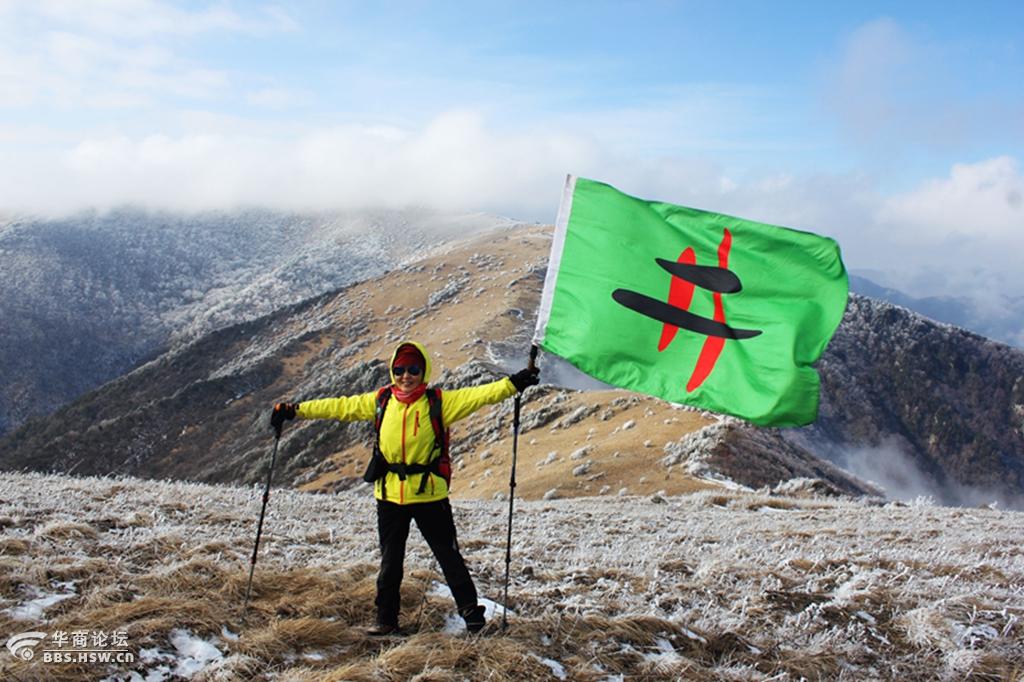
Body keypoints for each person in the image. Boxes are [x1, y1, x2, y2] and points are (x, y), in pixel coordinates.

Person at [270, 340, 539, 635]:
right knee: (390, 561)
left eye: (413, 369)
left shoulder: (439, 402)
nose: (405, 376)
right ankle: (386, 621)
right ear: (392, 371)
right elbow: (338, 406)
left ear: (423, 371)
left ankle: (473, 619)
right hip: (388, 496)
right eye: (399, 369)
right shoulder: (381, 401)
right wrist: (295, 411)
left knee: (448, 557)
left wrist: (513, 384)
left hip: (429, 495)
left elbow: (480, 395)